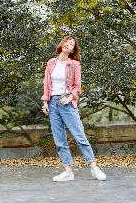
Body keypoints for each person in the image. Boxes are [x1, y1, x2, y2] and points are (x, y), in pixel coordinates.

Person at [42, 35, 107, 182]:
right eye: (67, 41)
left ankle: (94, 168)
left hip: (67, 103)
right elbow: (46, 84)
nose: (68, 44)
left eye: (71, 44)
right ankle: (68, 171)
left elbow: (77, 86)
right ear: (62, 44)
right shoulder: (51, 63)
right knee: (59, 140)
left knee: (80, 137)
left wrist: (70, 98)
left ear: (72, 50)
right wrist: (45, 102)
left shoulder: (74, 65)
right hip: (52, 103)